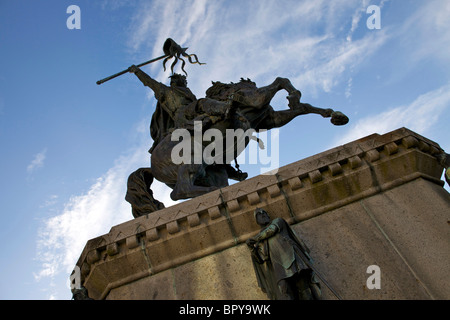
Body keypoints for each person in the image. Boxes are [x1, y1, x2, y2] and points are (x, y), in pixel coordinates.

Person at [246, 208, 321, 300]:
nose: (263, 214)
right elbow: (261, 259)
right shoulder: (260, 240)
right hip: (278, 266)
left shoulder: (278, 221)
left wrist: (253, 239)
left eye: (264, 212)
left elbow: (271, 230)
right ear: (257, 220)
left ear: (269, 215)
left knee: (303, 287)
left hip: (292, 259)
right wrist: (251, 247)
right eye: (259, 214)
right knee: (283, 291)